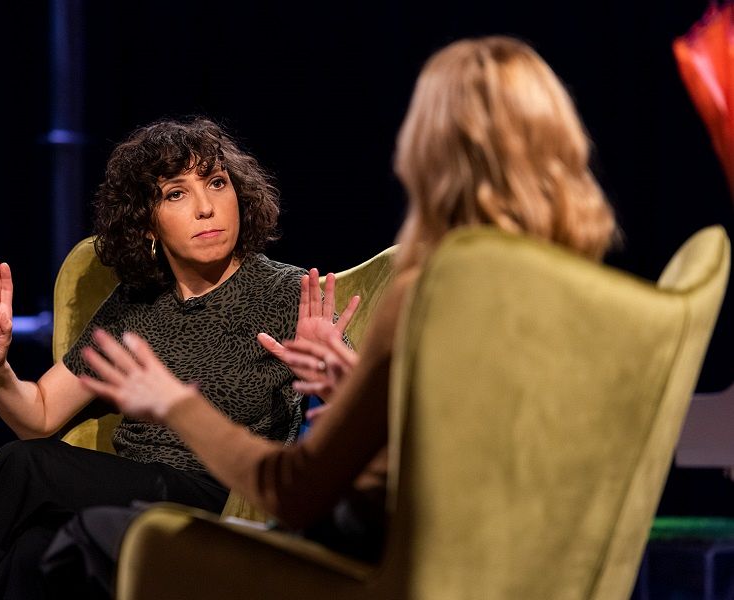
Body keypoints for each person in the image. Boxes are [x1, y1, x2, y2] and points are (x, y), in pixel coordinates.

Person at [52, 34, 619, 596]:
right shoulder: (593, 300)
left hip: (370, 571)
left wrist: (176, 404)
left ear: (430, 153)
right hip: (501, 572)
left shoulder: (435, 291)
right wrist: (355, 388)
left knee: (83, 542)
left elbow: (294, 491)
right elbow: (469, 452)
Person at [0, 117, 355, 600]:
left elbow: (365, 417)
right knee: (34, 549)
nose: (206, 208)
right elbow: (39, 415)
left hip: (225, 496)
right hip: (133, 495)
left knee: (27, 466)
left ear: (239, 195)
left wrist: (332, 375)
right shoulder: (136, 303)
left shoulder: (286, 292)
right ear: (148, 222)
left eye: (216, 183)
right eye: (176, 194)